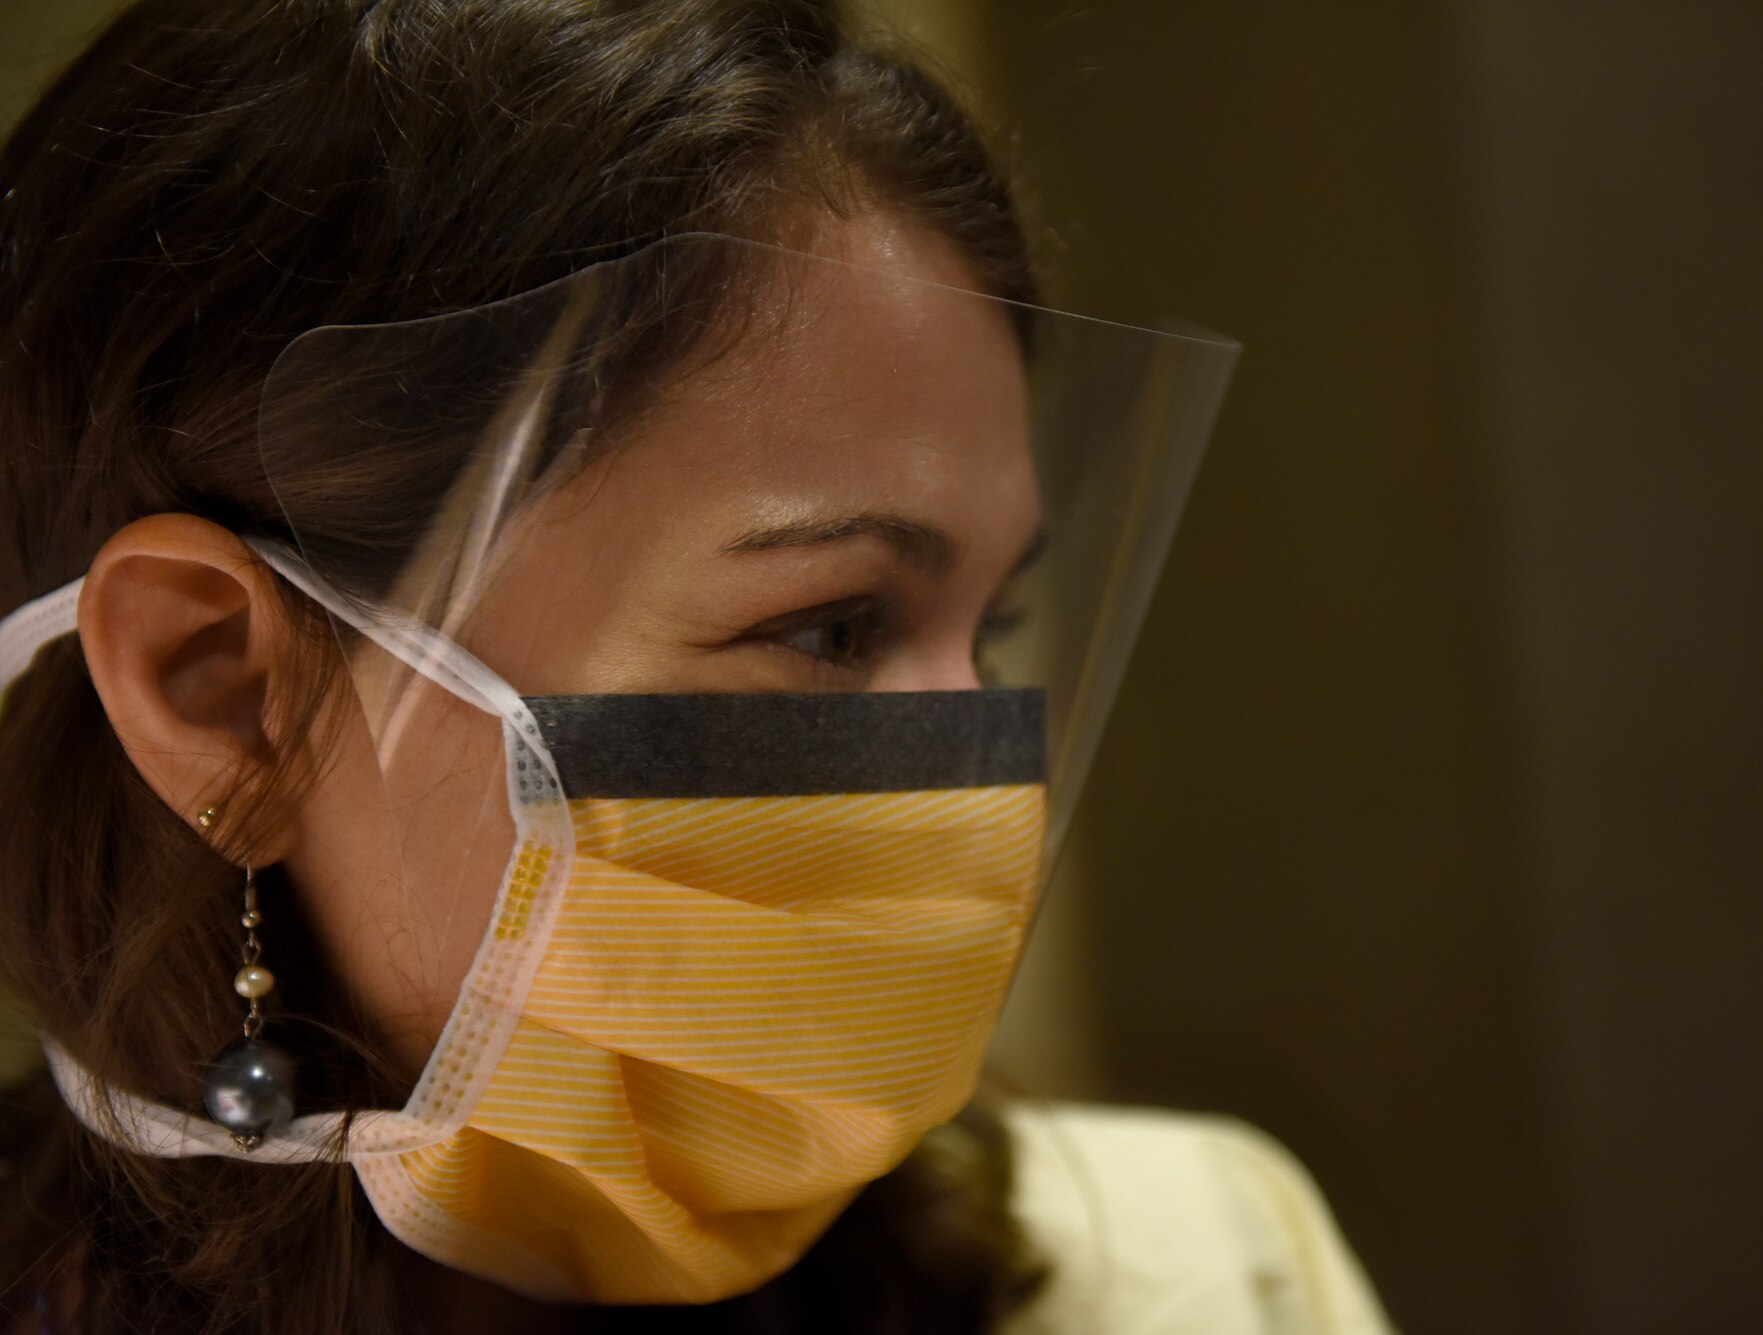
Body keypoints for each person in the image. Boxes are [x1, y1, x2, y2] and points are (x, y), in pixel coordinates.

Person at [0, 2, 1395, 1332]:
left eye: (993, 631)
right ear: (221, 692)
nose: (991, 805)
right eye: (834, 628)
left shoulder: (1189, 1278)